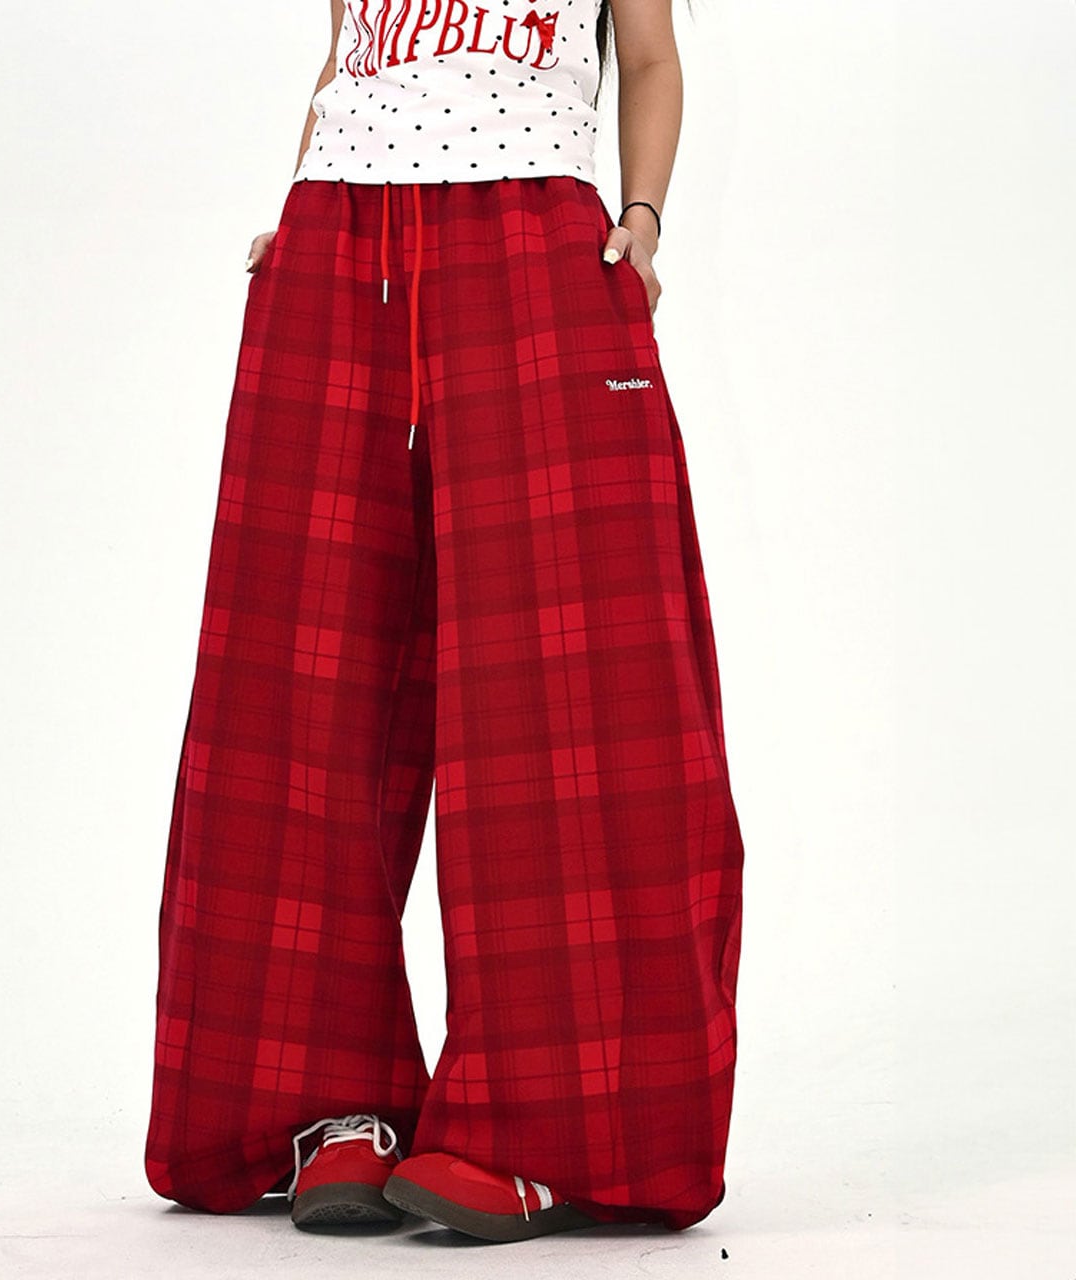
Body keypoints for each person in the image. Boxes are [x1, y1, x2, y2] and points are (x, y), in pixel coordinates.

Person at [144, 0, 744, 1244]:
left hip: (535, 235)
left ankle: (557, 1128)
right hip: (335, 242)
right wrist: (295, 208)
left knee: (563, 693)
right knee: (300, 683)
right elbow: (344, 57)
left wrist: (639, 223)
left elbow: (646, 56)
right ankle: (327, 1104)